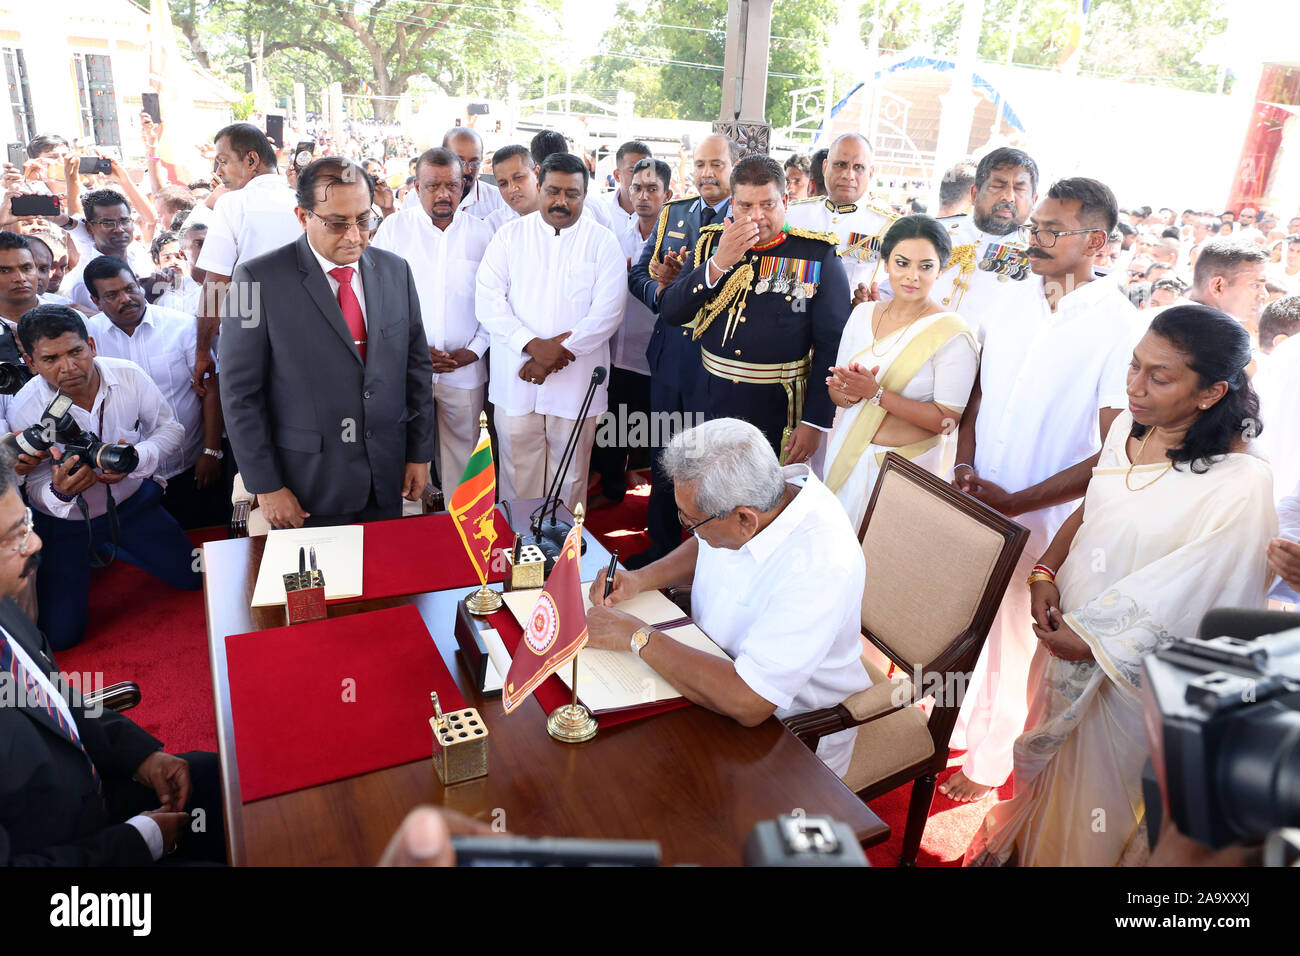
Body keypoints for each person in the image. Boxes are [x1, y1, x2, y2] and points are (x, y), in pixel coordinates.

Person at [966, 306, 1276, 866]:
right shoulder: (1130, 429)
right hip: (1063, 637)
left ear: (1211, 392)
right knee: (1049, 785)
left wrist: (1092, 643)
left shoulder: (1242, 482)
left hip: (1128, 680)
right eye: (1134, 367)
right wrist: (1045, 572)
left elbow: (1202, 590)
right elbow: (1094, 510)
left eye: (1159, 377)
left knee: (1101, 813)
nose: (1135, 387)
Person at [946, 178, 1139, 802]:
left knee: (1019, 640)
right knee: (965, 623)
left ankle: (992, 764)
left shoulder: (1121, 326)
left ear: (1097, 242)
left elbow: (1113, 450)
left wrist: (1017, 501)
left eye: (1053, 231)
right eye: (1037, 227)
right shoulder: (1010, 299)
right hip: (980, 497)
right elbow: (979, 392)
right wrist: (967, 464)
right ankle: (960, 727)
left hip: (1048, 518)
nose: (1036, 240)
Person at [585, 417, 871, 777]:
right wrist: (640, 578)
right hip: (705, 662)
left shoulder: (820, 563)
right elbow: (710, 544)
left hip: (786, 731)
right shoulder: (763, 493)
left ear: (744, 519)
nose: (687, 530)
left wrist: (636, 637)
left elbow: (750, 701)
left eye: (690, 521)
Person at [0, 450, 225, 864]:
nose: (35, 542)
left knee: (227, 779)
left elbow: (55, 698)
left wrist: (139, 755)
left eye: (27, 525)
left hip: (101, 793)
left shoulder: (6, 610)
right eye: (15, 536)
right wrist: (141, 840)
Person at [219, 157, 435, 528]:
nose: (354, 236)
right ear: (302, 217)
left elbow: (416, 369)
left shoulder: (395, 270)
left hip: (386, 479)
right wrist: (267, 486)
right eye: (337, 223)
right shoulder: (252, 279)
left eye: (364, 220)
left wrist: (418, 453)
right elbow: (240, 392)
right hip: (305, 487)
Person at [10, 305, 200, 650]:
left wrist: (138, 457)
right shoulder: (23, 406)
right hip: (64, 524)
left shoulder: (128, 374)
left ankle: (114, 545)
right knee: (63, 637)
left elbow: (171, 429)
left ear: (92, 345)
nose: (69, 368)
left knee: (193, 578)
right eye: (51, 359)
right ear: (31, 362)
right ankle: (103, 549)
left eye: (76, 352)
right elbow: (33, 483)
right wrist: (60, 492)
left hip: (132, 504)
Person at [659, 154, 851, 467]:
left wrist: (815, 421)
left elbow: (832, 345)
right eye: (746, 206)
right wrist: (719, 263)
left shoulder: (817, 256)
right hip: (710, 400)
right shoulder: (710, 246)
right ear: (732, 204)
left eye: (768, 204)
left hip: (777, 408)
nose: (757, 216)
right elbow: (671, 312)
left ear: (785, 200)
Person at [475, 151, 624, 513]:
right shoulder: (509, 237)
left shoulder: (602, 242)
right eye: (553, 191)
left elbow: (608, 313)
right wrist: (530, 345)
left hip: (575, 383)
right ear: (539, 187)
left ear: (584, 195)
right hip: (516, 379)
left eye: (572, 194)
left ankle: (563, 560)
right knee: (516, 475)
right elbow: (488, 300)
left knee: (571, 477)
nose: (561, 201)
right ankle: (519, 551)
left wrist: (547, 359)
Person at [622, 133, 736, 570]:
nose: (707, 173)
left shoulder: (745, 219)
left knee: (709, 460)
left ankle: (708, 560)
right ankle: (661, 550)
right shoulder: (676, 212)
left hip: (719, 358)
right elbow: (638, 275)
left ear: (733, 165)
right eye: (701, 165)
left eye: (717, 165)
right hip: (670, 353)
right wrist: (662, 291)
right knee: (664, 452)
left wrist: (685, 288)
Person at [823, 216, 978, 531]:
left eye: (925, 266)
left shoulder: (952, 333)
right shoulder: (862, 314)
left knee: (886, 566)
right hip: (846, 455)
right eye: (902, 263)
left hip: (906, 467)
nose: (912, 276)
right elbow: (838, 394)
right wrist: (848, 392)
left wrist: (876, 394)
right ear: (886, 261)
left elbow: (946, 420)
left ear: (941, 270)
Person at [371, 148, 493, 499]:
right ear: (416, 188)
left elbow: (496, 301)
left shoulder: (483, 234)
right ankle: (409, 538)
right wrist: (412, 350)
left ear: (464, 186)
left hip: (464, 369)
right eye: (433, 186)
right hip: (406, 369)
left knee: (463, 463)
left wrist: (474, 350)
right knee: (404, 458)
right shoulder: (395, 230)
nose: (443, 194)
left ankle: (459, 538)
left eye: (452, 186)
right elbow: (377, 300)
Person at [82, 257, 225, 530]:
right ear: (96, 301)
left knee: (202, 541)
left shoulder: (182, 327)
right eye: (112, 295)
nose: (126, 299)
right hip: (126, 478)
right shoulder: (90, 337)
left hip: (190, 466)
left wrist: (211, 450)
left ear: (139, 284)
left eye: (130, 288)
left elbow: (210, 390)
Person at [590, 155, 671, 509]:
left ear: (668, 194)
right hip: (619, 348)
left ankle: (658, 499)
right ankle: (611, 488)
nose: (643, 196)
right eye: (636, 187)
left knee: (657, 429)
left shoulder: (679, 238)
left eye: (652, 189)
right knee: (615, 423)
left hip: (657, 352)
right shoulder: (613, 236)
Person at [193, 123, 301, 387]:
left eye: (223, 161)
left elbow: (216, 284)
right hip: (305, 337)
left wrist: (202, 350)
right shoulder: (303, 201)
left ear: (252, 159)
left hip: (251, 339)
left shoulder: (233, 203)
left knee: (248, 418)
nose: (219, 172)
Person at [787, 134, 897, 301]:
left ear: (871, 173)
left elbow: (896, 289)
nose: (848, 175)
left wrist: (874, 303)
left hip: (852, 322)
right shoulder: (793, 214)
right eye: (840, 165)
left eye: (859, 167)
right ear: (825, 167)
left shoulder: (889, 227)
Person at [59, 189, 153, 311]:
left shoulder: (141, 257)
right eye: (108, 223)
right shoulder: (85, 281)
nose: (119, 229)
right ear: (89, 227)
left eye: (124, 221)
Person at [441, 126, 506, 220]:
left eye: (474, 163)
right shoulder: (417, 198)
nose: (467, 170)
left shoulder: (498, 201)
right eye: (459, 161)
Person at [155, 221, 206, 316]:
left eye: (209, 243)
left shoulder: (228, 280)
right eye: (199, 244)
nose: (206, 248)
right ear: (183, 254)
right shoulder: (172, 292)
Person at [486, 144, 540, 232]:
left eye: (518, 177)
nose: (512, 189)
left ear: (536, 174)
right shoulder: (493, 225)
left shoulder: (561, 216)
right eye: (503, 184)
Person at [602, 140, 653, 230]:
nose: (641, 177)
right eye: (633, 170)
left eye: (647, 171)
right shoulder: (601, 208)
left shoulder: (662, 213)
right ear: (617, 176)